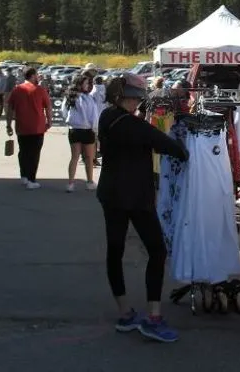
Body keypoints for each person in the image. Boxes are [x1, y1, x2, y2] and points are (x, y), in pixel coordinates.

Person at [97, 73, 189, 343]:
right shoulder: (133, 125)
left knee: (115, 251)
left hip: (110, 194)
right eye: (133, 98)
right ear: (122, 97)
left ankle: (125, 313)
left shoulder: (107, 117)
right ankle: (153, 317)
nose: (136, 103)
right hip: (136, 197)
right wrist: (185, 147)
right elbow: (172, 147)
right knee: (157, 251)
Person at [6, 67, 53, 190]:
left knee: (23, 151)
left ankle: (24, 176)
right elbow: (48, 107)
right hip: (37, 127)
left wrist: (8, 124)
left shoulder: (17, 90)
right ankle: (31, 179)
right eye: (37, 75)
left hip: (21, 126)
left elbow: (10, 109)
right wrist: (49, 121)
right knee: (34, 153)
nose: (38, 77)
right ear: (32, 76)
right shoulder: (40, 90)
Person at [65, 73, 101, 192]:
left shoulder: (70, 97)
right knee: (89, 158)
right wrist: (95, 130)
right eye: (85, 84)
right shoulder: (88, 98)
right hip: (87, 130)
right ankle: (89, 182)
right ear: (80, 85)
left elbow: (64, 112)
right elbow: (93, 116)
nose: (87, 86)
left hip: (74, 129)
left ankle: (70, 183)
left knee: (74, 157)